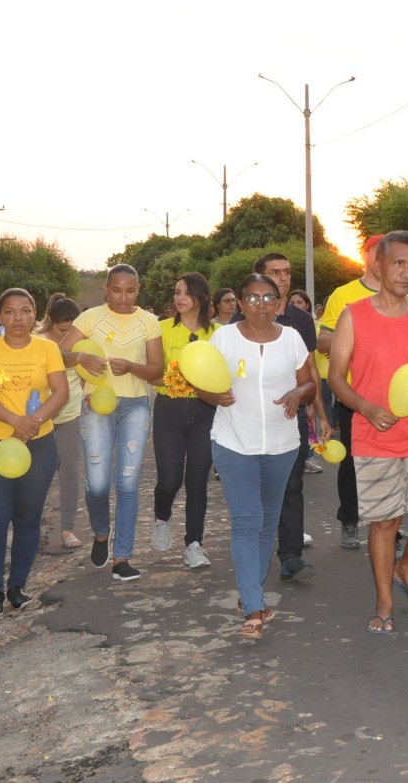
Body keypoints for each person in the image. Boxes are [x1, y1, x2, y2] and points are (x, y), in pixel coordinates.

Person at [328, 231, 408, 634]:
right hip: (373, 434)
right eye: (399, 263)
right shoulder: (354, 315)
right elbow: (335, 376)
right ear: (378, 265)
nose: (407, 272)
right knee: (385, 522)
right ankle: (384, 599)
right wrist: (365, 407)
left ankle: (407, 566)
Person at [204, 273, 314, 639]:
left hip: (282, 445)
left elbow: (311, 382)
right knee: (247, 520)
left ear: (279, 303)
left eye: (269, 298)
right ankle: (252, 605)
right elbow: (201, 382)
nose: (261, 305)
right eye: (253, 298)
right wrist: (212, 396)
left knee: (268, 521)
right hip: (234, 441)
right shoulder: (223, 338)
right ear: (239, 301)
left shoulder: (292, 339)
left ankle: (251, 583)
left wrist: (299, 393)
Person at [60, 264, 164, 582]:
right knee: (98, 484)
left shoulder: (148, 322)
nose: (123, 297)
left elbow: (158, 371)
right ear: (106, 288)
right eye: (117, 290)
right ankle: (101, 533)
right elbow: (59, 353)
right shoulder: (89, 318)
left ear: (139, 289)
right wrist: (80, 359)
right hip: (96, 405)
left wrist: (133, 366)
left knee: (128, 484)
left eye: (130, 290)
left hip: (135, 407)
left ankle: (122, 558)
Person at [0, 288, 68, 616]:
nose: (18, 318)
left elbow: (61, 392)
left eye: (26, 311)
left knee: (27, 517)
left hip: (39, 445)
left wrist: (34, 422)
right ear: (0, 316)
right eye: (10, 312)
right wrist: (16, 421)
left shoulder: (48, 348)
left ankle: (18, 586)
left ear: (35, 315)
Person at [254, 253, 331, 581]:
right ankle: (255, 551)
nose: (283, 278)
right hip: (253, 416)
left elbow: (310, 368)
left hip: (292, 414)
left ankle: (290, 556)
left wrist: (321, 414)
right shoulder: (244, 319)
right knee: (258, 487)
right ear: (260, 276)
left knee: (292, 483)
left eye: (287, 272)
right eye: (275, 272)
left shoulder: (300, 319)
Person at [318, 234, 384, 549]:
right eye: (377, 252)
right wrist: (360, 339)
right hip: (353, 392)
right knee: (353, 461)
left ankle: (389, 524)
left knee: (390, 462)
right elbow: (322, 342)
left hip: (393, 393)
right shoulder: (343, 295)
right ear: (366, 256)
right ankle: (350, 520)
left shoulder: (400, 296)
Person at [150, 273, 217, 568]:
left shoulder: (218, 333)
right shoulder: (160, 329)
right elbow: (152, 371)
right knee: (170, 479)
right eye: (177, 292)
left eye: (186, 293)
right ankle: (161, 517)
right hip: (169, 411)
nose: (179, 298)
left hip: (205, 413)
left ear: (201, 298)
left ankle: (194, 543)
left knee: (197, 481)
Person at [35, 293, 84, 549]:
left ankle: (67, 529)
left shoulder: (81, 342)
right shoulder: (38, 343)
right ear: (51, 323)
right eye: (62, 330)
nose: (67, 337)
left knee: (70, 473)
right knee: (36, 474)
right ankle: (30, 527)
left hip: (70, 416)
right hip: (39, 419)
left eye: (71, 331)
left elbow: (88, 376)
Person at [289, 288, 326, 476]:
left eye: (300, 302)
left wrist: (316, 408)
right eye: (292, 302)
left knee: (294, 480)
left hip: (298, 402)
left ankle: (306, 458)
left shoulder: (304, 322)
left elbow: (311, 368)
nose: (296, 306)